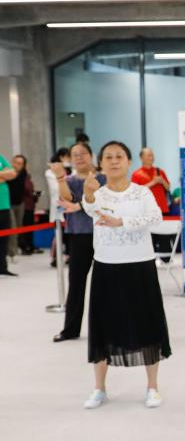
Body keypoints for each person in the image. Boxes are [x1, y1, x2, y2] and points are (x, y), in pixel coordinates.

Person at [80, 141, 171, 410]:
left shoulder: (142, 192)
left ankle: (152, 387)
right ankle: (99, 388)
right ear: (101, 163)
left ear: (129, 162)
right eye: (108, 157)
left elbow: (155, 218)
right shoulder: (97, 192)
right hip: (106, 265)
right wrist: (88, 193)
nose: (114, 161)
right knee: (102, 327)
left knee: (148, 324)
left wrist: (122, 222)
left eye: (119, 156)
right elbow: (89, 208)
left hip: (140, 265)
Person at [53, 143, 105, 342]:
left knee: (105, 284)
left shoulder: (102, 178)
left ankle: (106, 329)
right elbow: (67, 198)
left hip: (103, 234)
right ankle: (70, 329)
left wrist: (78, 206)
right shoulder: (68, 180)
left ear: (91, 155)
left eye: (83, 153)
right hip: (78, 235)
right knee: (76, 284)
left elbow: (102, 201)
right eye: (75, 155)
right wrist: (60, 177)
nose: (79, 157)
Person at [131, 147, 174, 260]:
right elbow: (135, 192)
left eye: (152, 155)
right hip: (146, 211)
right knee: (149, 238)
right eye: (149, 155)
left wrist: (162, 181)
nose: (152, 157)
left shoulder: (160, 171)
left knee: (165, 236)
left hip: (163, 208)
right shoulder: (136, 174)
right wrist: (153, 182)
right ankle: (149, 260)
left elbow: (168, 187)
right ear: (142, 158)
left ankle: (166, 260)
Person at [45, 148, 72, 268]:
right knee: (59, 234)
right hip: (59, 205)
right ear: (61, 157)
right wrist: (63, 180)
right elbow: (55, 188)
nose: (69, 159)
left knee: (70, 234)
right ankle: (55, 257)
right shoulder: (50, 172)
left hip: (71, 204)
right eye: (67, 157)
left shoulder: (72, 170)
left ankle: (69, 256)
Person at [0, 150, 15, 276]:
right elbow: (7, 174)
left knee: (4, 238)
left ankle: (2, 267)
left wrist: (5, 175)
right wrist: (3, 176)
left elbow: (12, 173)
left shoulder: (0, 157)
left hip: (4, 205)